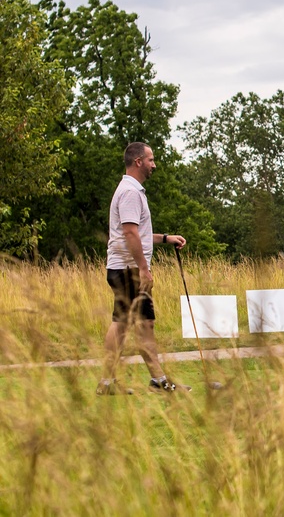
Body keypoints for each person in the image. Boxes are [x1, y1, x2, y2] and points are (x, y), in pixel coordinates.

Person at [97, 142, 189, 395]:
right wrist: (143, 269)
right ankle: (153, 381)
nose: (154, 164)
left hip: (125, 268)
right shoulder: (130, 192)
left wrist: (165, 238)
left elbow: (138, 232)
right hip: (128, 269)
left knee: (132, 323)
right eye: (151, 159)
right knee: (128, 323)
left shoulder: (131, 190)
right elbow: (129, 233)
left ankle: (119, 382)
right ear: (138, 161)